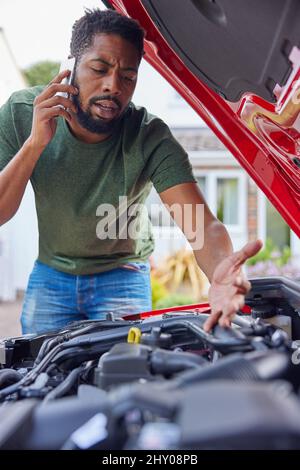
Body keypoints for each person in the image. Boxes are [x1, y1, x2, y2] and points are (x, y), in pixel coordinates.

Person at [0, 8, 262, 334]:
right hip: (52, 274)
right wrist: (35, 144)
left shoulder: (149, 135)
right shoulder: (22, 113)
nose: (113, 85)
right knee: (39, 375)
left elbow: (199, 223)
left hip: (122, 274)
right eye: (99, 68)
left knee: (127, 374)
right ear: (69, 68)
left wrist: (221, 270)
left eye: (128, 76)